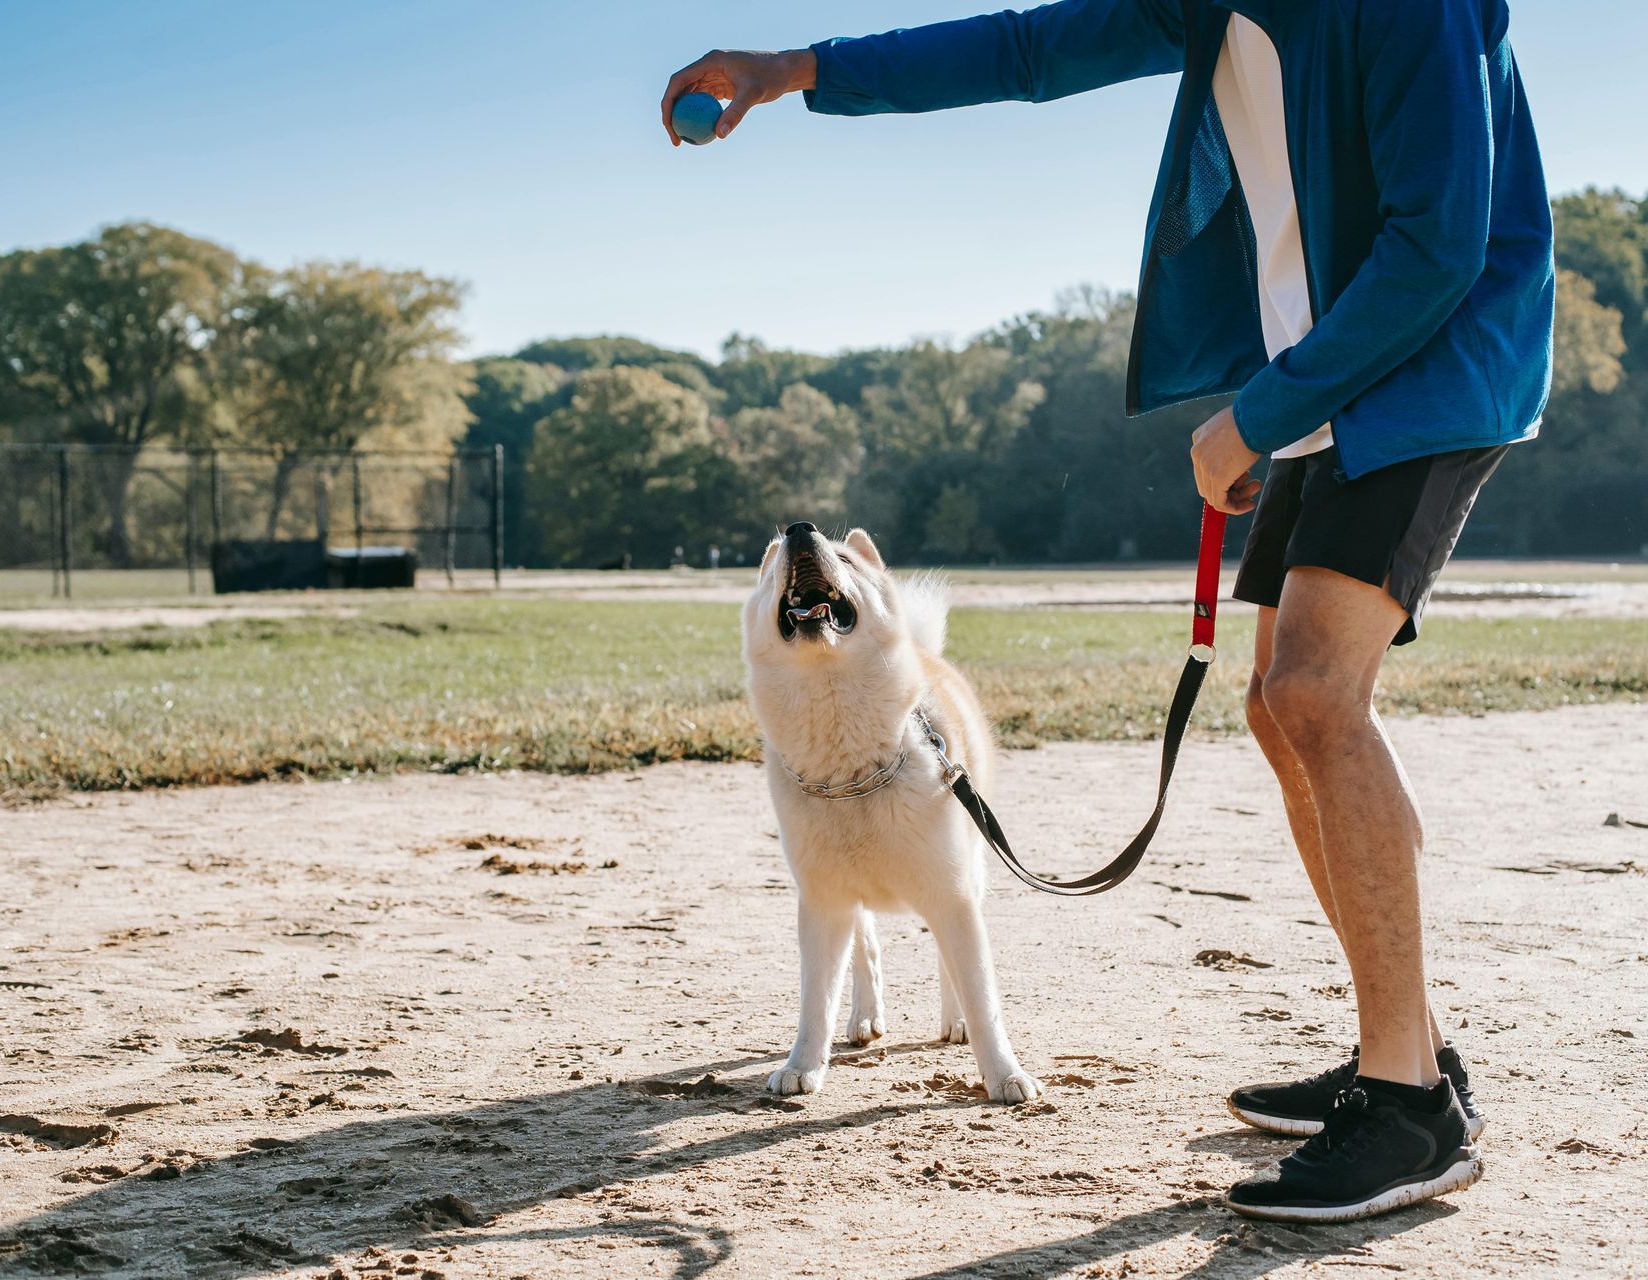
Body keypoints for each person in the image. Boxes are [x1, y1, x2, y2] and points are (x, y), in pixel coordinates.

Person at [663, 0, 1553, 1224]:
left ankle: (1409, 1110)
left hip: (1436, 365)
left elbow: (1441, 244)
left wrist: (1263, 404)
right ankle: (1407, 1050)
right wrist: (794, 69)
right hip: (1336, 378)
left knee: (1314, 692)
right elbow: (1028, 50)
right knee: (1276, 707)